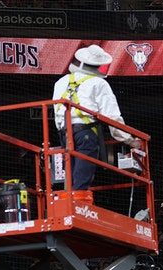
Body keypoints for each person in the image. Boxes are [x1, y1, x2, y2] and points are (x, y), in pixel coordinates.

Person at [52, 44, 141, 191]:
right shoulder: (99, 83)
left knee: (70, 175)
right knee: (82, 176)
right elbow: (112, 116)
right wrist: (129, 140)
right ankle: (79, 206)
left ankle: (69, 204)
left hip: (64, 133)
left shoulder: (61, 82)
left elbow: (57, 113)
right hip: (85, 133)